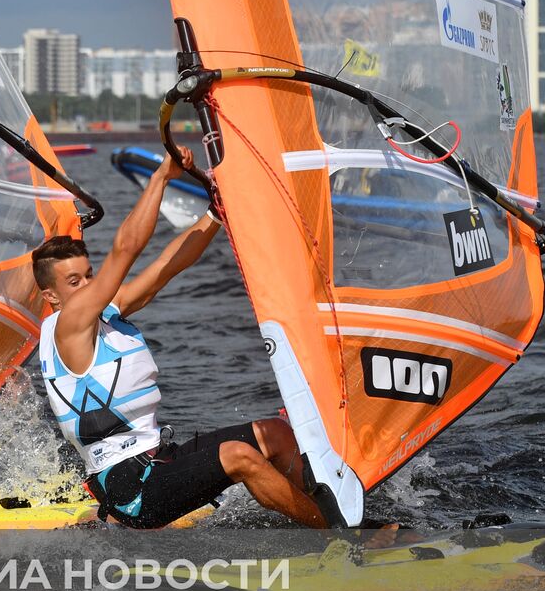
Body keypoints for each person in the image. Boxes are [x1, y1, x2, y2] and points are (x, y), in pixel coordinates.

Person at [31, 146, 326, 529]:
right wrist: (161, 178)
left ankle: (328, 510)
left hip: (158, 461)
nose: (88, 285)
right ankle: (337, 540)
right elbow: (125, 249)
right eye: (75, 282)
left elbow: (165, 269)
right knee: (239, 456)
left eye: (89, 275)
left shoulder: (102, 313)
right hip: (130, 491)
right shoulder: (67, 327)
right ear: (51, 296)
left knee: (275, 433)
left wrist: (216, 215)